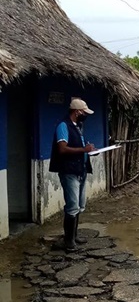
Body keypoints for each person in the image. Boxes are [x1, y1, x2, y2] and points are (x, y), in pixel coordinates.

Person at [49, 97, 96, 250]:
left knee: (79, 205)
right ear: (77, 112)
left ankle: (73, 236)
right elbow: (62, 148)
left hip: (80, 170)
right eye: (84, 112)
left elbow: (79, 148)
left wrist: (88, 152)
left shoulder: (77, 126)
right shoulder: (64, 126)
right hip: (69, 171)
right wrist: (84, 150)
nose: (86, 115)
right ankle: (68, 241)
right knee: (72, 206)